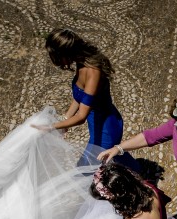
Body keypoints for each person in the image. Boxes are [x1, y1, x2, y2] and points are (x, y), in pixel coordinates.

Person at [36, 28, 135, 167]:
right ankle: (138, 171)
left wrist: (51, 127)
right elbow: (80, 96)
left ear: (65, 53)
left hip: (106, 126)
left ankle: (138, 177)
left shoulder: (92, 71)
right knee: (108, 159)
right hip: (95, 123)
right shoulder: (81, 61)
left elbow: (81, 116)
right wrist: (65, 120)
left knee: (89, 168)